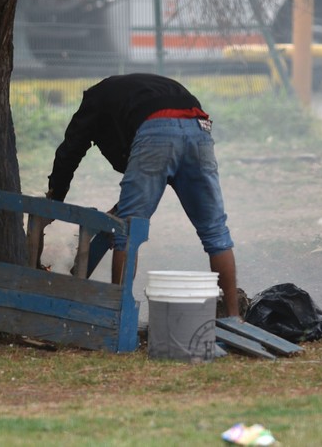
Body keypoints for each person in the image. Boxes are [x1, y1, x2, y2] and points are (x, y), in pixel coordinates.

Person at [47, 73, 239, 316]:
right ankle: (234, 317)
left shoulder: (94, 101)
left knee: (127, 231)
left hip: (156, 129)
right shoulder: (137, 91)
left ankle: (118, 316)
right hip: (198, 127)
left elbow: (70, 151)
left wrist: (54, 200)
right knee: (216, 233)